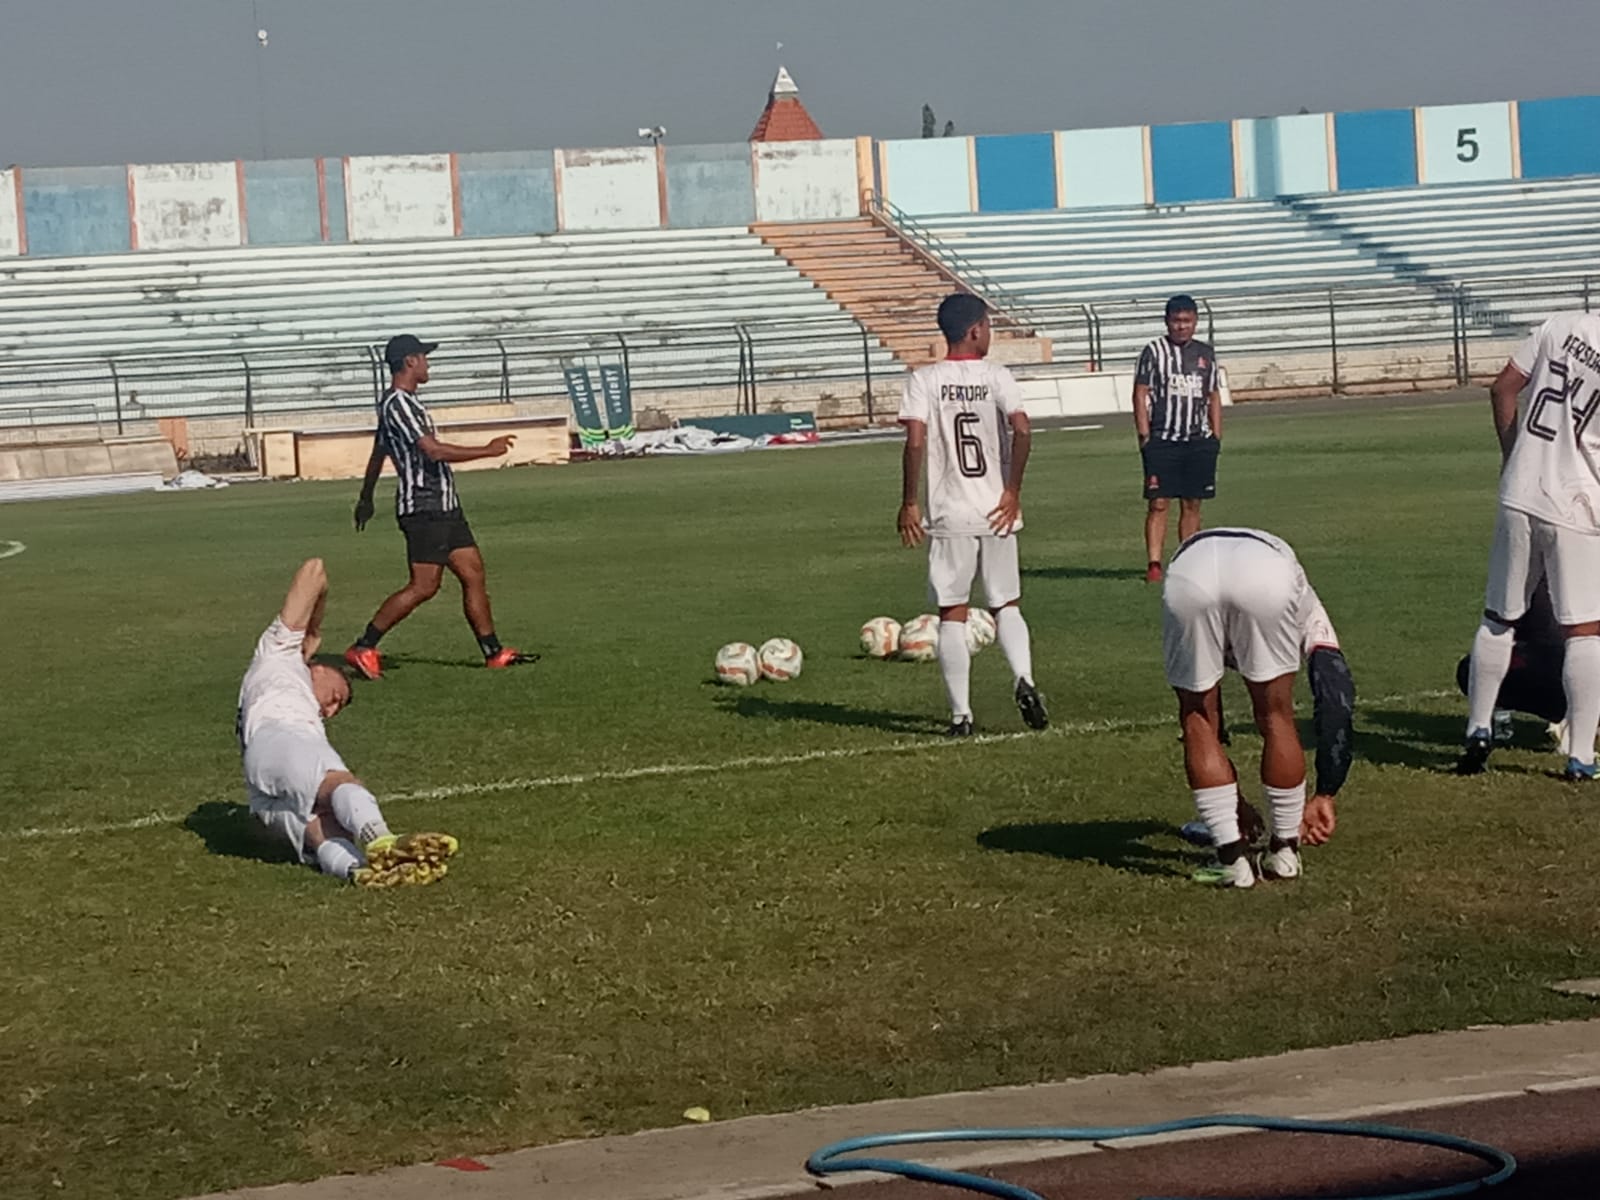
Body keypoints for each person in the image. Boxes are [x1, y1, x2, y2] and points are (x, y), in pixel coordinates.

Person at [239, 558, 458, 886]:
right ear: (319, 669)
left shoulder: (273, 686)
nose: (329, 710)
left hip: (259, 781)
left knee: (321, 824)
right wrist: (311, 628)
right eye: (337, 696)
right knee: (336, 782)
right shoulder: (280, 653)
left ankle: (358, 871)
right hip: (282, 734)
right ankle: (381, 839)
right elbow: (315, 570)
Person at [1162, 528, 1354, 889]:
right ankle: (1284, 852)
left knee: (1196, 717)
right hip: (1266, 572)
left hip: (1191, 570)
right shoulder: (1306, 605)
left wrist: (1230, 804)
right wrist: (1326, 792)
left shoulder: (1301, 598)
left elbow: (1206, 716)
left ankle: (1232, 862)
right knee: (1275, 715)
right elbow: (1336, 695)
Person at [1458, 310, 1600, 779]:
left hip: (1520, 488)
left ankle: (1479, 729)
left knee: (1498, 616)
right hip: (1579, 501)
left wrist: (1512, 454)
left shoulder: (1558, 325)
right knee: (1583, 629)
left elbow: (1502, 388)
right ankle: (1580, 755)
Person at [898, 293, 1048, 737]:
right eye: (988, 326)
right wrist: (1013, 490)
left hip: (950, 512)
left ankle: (961, 715)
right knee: (1006, 604)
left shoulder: (924, 379)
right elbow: (1021, 429)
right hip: (997, 509)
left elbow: (915, 442)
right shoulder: (998, 376)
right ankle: (1024, 678)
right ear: (975, 331)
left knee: (953, 612)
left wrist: (910, 500)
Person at [345, 334, 530, 678]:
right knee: (424, 586)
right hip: (425, 507)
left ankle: (493, 652)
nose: (429, 364)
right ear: (410, 361)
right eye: (424, 357)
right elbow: (433, 451)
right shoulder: (398, 404)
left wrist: (366, 498)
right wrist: (487, 451)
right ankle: (364, 645)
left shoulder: (404, 404)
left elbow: (378, 453)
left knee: (472, 572)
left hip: (444, 506)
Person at [1133, 295, 1223, 584]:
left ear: (1195, 322)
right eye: (1176, 321)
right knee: (1159, 502)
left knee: (1192, 502)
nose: (1181, 327)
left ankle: (1189, 561)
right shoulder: (1153, 352)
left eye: (1186, 321)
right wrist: (1144, 434)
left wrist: (1216, 433)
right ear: (1166, 321)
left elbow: (1213, 395)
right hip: (1163, 438)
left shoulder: (1205, 353)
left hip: (1197, 439)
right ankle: (1154, 564)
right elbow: (1141, 392)